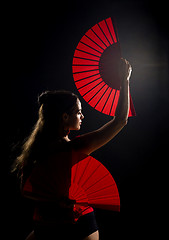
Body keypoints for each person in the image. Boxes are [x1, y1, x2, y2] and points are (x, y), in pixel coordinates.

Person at [12, 58, 132, 240]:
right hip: (78, 225)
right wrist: (125, 80)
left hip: (44, 226)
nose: (82, 116)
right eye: (78, 112)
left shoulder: (34, 153)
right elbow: (121, 120)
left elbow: (27, 191)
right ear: (65, 117)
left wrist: (54, 201)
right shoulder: (74, 148)